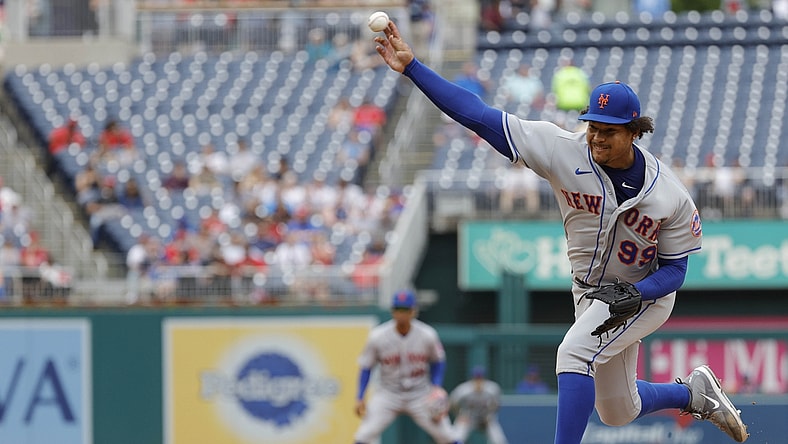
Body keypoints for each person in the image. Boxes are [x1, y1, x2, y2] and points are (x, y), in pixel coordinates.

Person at [372, 21, 749, 443]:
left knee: (572, 353)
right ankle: (692, 395)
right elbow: (478, 115)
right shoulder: (561, 148)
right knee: (617, 410)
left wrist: (637, 294)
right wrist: (413, 68)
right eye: (592, 125)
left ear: (634, 132)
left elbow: (676, 270)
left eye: (608, 130)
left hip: (644, 295)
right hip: (588, 291)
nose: (596, 137)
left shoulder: (669, 194)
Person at [353, 290, 459, 444]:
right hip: (388, 394)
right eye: (398, 309)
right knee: (363, 436)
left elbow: (438, 361)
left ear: (414, 311)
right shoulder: (378, 336)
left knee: (448, 436)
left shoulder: (427, 334)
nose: (401, 314)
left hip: (420, 393)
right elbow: (366, 367)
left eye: (405, 309)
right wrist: (360, 396)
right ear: (392, 311)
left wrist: (436, 386)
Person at [449, 366, 509, 444]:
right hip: (469, 418)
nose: (478, 381)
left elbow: (497, 404)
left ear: (484, 379)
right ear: (472, 379)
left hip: (485, 419)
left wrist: (490, 415)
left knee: (499, 440)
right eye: (476, 378)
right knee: (456, 438)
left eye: (480, 378)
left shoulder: (492, 388)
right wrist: (460, 415)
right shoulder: (464, 389)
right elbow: (452, 402)